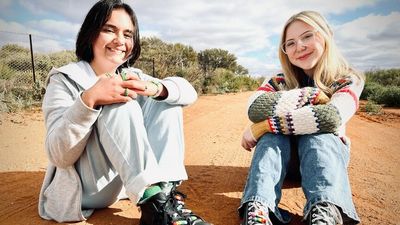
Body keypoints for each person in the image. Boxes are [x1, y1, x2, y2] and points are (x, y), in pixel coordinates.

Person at [38, 1, 212, 224]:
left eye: (128, 34)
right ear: (91, 33)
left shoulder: (131, 74)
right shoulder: (64, 79)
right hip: (86, 189)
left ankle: (162, 199)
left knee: (165, 100)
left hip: (122, 184)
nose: (120, 41)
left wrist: (156, 88)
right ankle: (156, 206)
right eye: (109, 30)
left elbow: (188, 92)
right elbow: (58, 155)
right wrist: (89, 99)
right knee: (120, 100)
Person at [239, 11, 364, 225]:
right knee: (273, 139)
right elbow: (254, 108)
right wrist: (313, 96)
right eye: (290, 43)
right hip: (285, 163)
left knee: (319, 135)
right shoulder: (278, 80)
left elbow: (331, 118)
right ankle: (259, 210)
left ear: (326, 35)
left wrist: (262, 127)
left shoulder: (348, 78)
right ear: (285, 51)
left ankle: (326, 210)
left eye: (307, 36)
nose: (299, 46)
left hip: (323, 160)